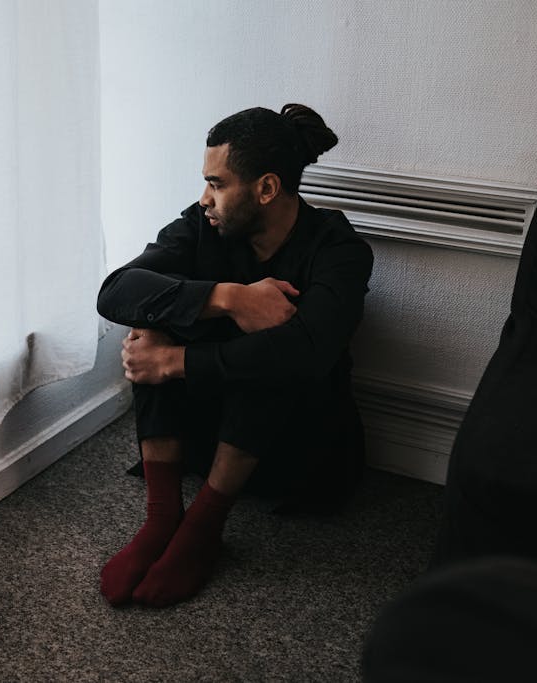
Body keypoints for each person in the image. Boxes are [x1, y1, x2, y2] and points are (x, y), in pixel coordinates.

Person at [96, 103, 374, 607]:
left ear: (266, 189)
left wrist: (173, 362)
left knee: (277, 350)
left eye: (217, 184)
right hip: (207, 436)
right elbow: (116, 290)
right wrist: (229, 297)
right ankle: (163, 518)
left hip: (295, 450)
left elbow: (308, 356)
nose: (205, 198)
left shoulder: (338, 248)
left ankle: (203, 527)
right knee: (151, 321)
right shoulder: (204, 226)